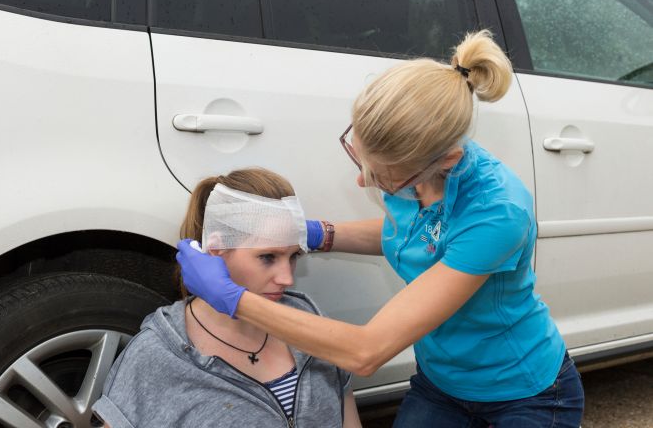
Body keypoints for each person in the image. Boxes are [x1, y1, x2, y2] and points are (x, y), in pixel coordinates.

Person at [176, 30, 585, 427]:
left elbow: (365, 352)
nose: (363, 182)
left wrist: (231, 298)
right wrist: (318, 233)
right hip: (441, 381)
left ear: (446, 161)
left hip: (523, 391)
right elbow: (416, 234)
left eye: (385, 177)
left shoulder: (498, 212)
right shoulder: (419, 168)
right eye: (361, 161)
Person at [92, 168, 362, 428]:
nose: (287, 278)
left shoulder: (307, 317)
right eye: (268, 257)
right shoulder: (157, 354)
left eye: (293, 256)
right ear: (216, 248)